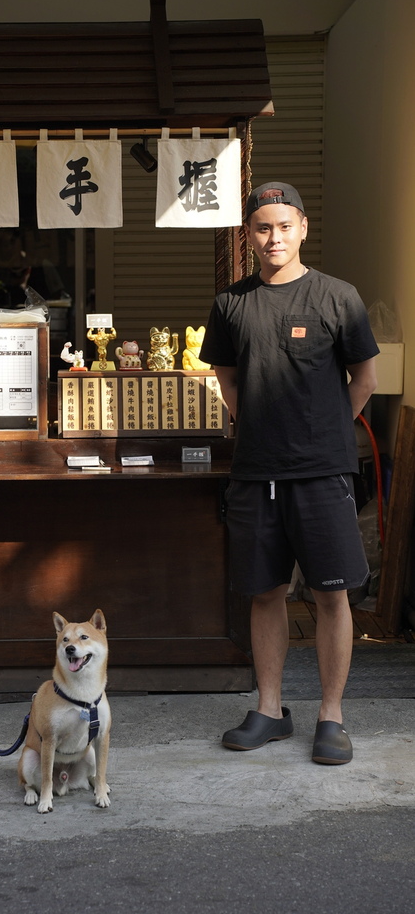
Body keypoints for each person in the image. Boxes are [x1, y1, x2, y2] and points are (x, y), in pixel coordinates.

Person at [200, 182, 378, 765]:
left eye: (283, 226)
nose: (273, 237)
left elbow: (364, 379)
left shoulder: (337, 297)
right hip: (256, 473)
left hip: (323, 472)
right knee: (265, 593)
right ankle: (270, 709)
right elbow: (226, 377)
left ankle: (332, 715)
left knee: (332, 594)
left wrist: (325, 430)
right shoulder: (231, 303)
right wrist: (254, 423)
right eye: (261, 227)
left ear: (302, 227)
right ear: (248, 235)